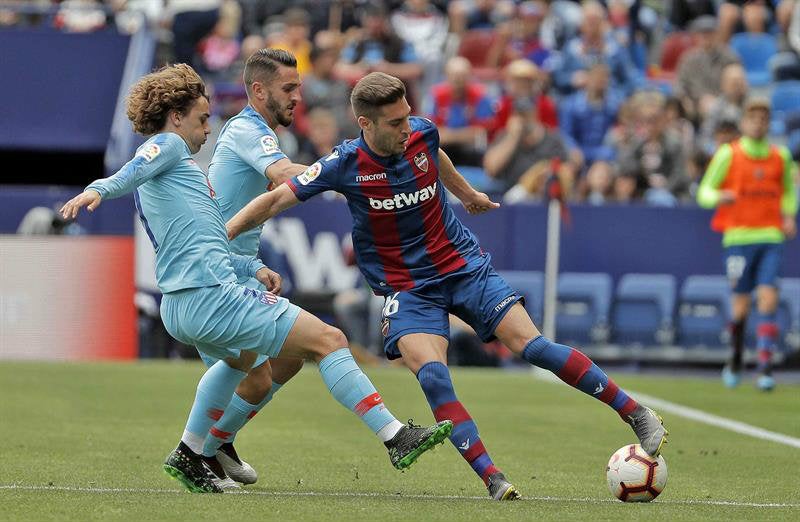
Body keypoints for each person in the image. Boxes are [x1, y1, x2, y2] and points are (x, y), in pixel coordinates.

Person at [226, 72, 670, 501]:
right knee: (435, 376)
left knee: (532, 346)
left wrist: (467, 194)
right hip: (408, 288)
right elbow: (275, 198)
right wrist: (221, 236)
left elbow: (435, 154)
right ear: (366, 123)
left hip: (463, 266)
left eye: (408, 116)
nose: (407, 129)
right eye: (395, 123)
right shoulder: (343, 165)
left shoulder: (421, 132)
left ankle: (637, 414)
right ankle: (493, 478)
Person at [59, 64, 452, 494]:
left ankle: (194, 451)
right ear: (176, 117)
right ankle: (394, 436)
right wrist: (98, 188)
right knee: (330, 340)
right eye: (202, 118)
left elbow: (203, 241)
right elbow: (135, 166)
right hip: (211, 298)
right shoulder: (168, 146)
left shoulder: (180, 176)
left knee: (242, 362)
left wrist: (251, 268)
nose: (209, 129)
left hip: (184, 303)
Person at [200, 48, 310, 486]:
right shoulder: (249, 130)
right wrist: (348, 172)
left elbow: (242, 211)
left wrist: (256, 265)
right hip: (213, 273)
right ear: (259, 90)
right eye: (289, 88)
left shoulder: (255, 133)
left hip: (238, 267)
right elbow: (287, 175)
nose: (298, 96)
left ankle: (217, 444)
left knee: (290, 356)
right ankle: (199, 452)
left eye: (298, 87)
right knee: (258, 377)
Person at [697, 97, 798, 391]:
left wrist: (788, 215)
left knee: (769, 297)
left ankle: (765, 367)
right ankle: (737, 357)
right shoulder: (729, 154)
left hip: (770, 235)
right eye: (753, 118)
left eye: (763, 118)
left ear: (768, 123)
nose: (758, 123)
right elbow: (704, 190)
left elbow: (789, 192)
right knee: (740, 305)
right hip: (739, 238)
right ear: (744, 122)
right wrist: (719, 197)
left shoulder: (780, 156)